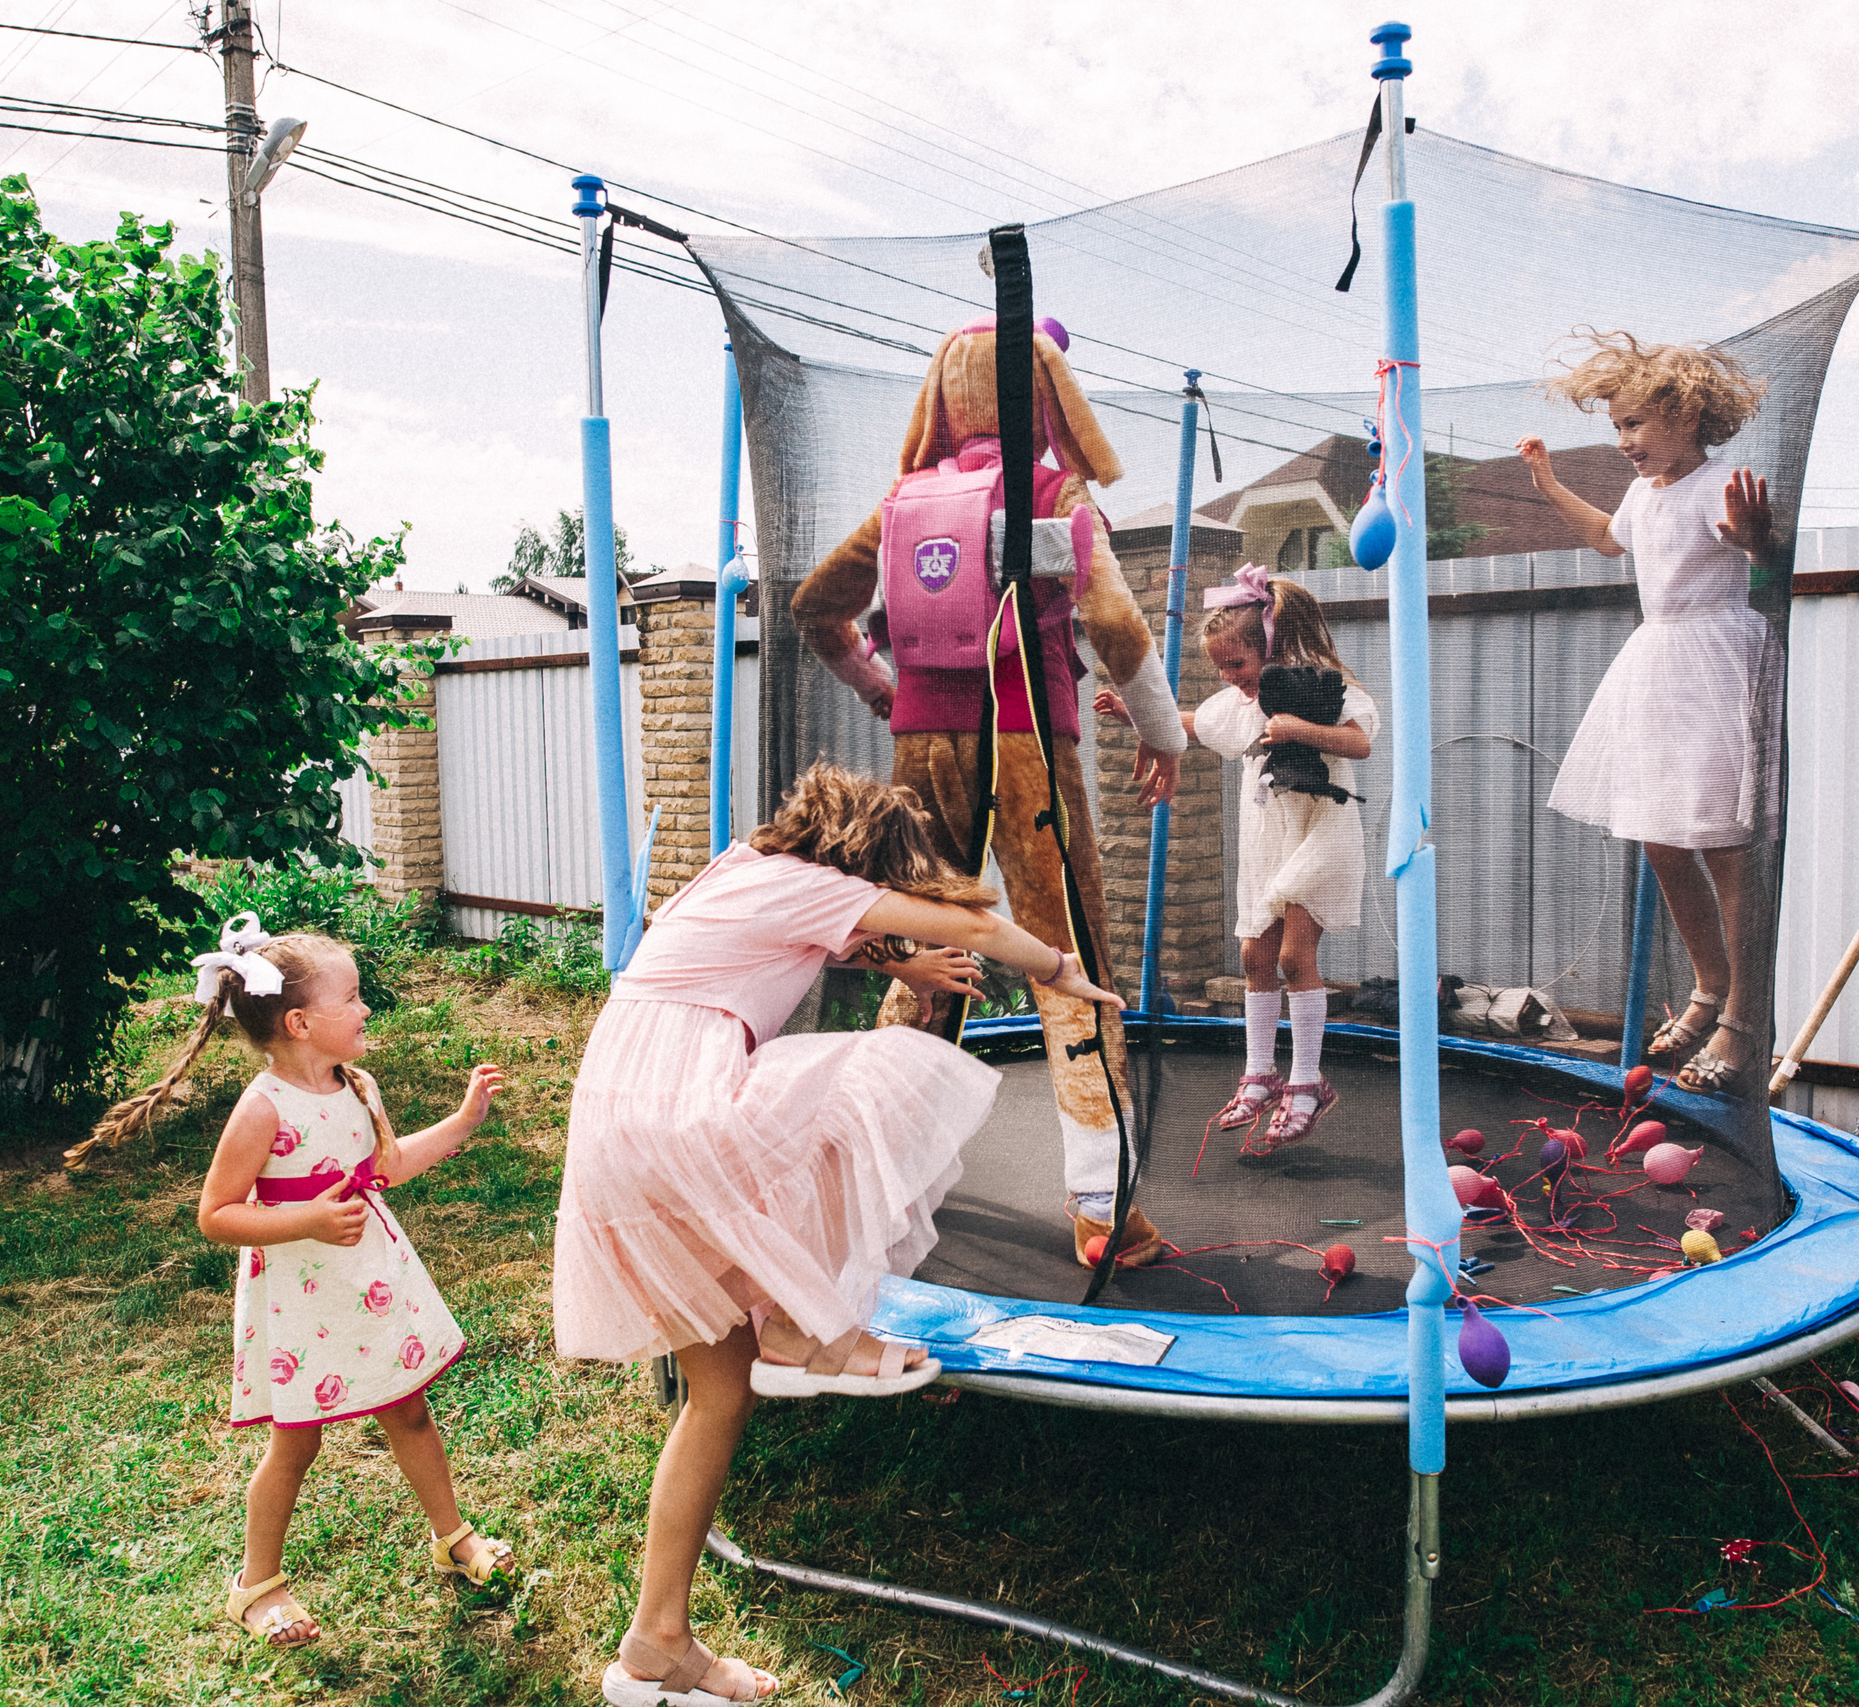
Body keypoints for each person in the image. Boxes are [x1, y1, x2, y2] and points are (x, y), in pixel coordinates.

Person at [556, 763, 1122, 1707]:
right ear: (866, 860)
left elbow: (818, 939)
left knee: (717, 1394)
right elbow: (976, 923)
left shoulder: (742, 866)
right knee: (880, 1077)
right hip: (679, 1113)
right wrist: (1064, 972)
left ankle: (655, 1645)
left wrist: (895, 961)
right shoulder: (820, 885)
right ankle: (800, 1323)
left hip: (618, 1118)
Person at [790, 316, 1183, 1269]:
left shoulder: (903, 502)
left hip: (923, 747)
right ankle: (1102, 1208)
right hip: (1028, 742)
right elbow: (1121, 631)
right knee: (1066, 954)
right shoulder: (1053, 488)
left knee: (929, 953)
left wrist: (882, 687)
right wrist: (1165, 735)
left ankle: (873, 1186)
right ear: (1047, 396)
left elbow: (814, 608)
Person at [71, 915, 511, 1648]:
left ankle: (452, 1535)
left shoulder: (358, 1084)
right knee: (296, 1442)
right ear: (302, 1021)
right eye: (355, 997)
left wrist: (465, 1118)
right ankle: (257, 1585)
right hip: (301, 1298)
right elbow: (216, 1214)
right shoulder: (262, 1107)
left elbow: (388, 1167)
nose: (368, 1008)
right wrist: (305, 1218)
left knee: (409, 1412)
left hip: (367, 1280)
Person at [1516, 330, 1776, 1096]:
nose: (1625, 440)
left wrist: (1757, 540)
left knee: (1724, 844)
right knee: (1661, 839)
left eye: (1635, 424)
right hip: (1656, 664)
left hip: (1716, 660)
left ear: (1688, 417)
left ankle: (1744, 1020)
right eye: (1618, 426)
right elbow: (1606, 539)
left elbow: (1759, 551)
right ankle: (1708, 984)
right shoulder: (1645, 491)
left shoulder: (1719, 482)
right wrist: (1548, 485)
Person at [1103, 566, 1376, 1154]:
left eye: (1238, 666)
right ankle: (1260, 1074)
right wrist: (1133, 714)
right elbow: (1191, 725)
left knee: (1294, 956)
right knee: (1255, 953)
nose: (1231, 678)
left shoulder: (1323, 688)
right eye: (1222, 669)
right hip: (1267, 838)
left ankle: (1307, 1084)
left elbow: (1360, 742)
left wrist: (1299, 727)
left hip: (1319, 830)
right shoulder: (1236, 704)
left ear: (1270, 648)